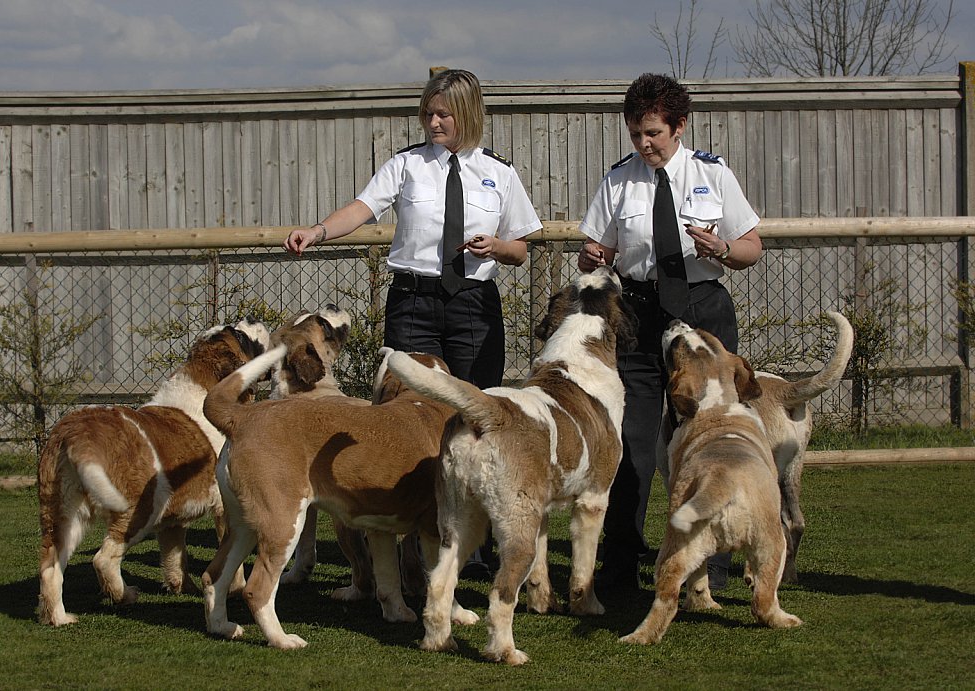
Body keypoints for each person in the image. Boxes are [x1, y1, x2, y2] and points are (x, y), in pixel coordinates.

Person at [284, 68, 542, 578]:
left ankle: (472, 544)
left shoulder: (500, 173)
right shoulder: (406, 166)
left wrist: (499, 247)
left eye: (443, 113)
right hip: (413, 303)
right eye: (428, 112)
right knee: (402, 412)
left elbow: (522, 247)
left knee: (473, 419)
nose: (433, 121)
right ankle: (402, 543)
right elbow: (362, 208)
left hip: (473, 304)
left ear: (467, 113)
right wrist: (318, 230)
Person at [576, 73, 763, 591]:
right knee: (631, 440)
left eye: (654, 133)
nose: (644, 144)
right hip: (639, 314)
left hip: (703, 313)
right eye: (636, 134)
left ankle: (714, 563)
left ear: (680, 126)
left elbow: (751, 247)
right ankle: (618, 565)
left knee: (713, 435)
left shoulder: (713, 175)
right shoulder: (618, 180)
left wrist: (721, 249)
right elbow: (595, 249)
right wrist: (594, 255)